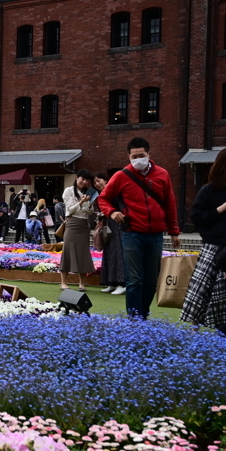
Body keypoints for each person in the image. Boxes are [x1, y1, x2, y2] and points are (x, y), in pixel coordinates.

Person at [98, 137, 181, 319]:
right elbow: (103, 198)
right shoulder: (121, 176)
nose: (138, 159)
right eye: (134, 156)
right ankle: (135, 319)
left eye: (141, 155)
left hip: (156, 234)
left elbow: (170, 203)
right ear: (128, 156)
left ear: (149, 154)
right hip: (132, 233)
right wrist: (112, 212)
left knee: (151, 280)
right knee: (134, 279)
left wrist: (174, 231)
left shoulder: (162, 174)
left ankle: (143, 314)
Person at [180, 148, 226, 329]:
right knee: (202, 287)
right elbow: (197, 217)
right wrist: (221, 209)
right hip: (213, 245)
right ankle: (194, 325)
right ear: (220, 167)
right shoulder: (208, 191)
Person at [60, 169, 96, 291]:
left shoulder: (88, 193)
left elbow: (90, 212)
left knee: (83, 253)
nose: (84, 182)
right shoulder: (68, 191)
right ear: (77, 178)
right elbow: (69, 210)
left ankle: (82, 283)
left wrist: (89, 204)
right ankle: (63, 282)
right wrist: (81, 201)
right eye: (82, 179)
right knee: (68, 251)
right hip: (72, 224)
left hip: (84, 225)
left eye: (87, 180)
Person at [96, 170, 126, 295]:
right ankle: (111, 282)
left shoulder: (115, 191)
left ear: (106, 180)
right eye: (95, 182)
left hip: (118, 225)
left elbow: (122, 207)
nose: (97, 184)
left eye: (99, 181)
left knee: (118, 252)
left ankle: (122, 283)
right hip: (108, 226)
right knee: (109, 252)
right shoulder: (102, 194)